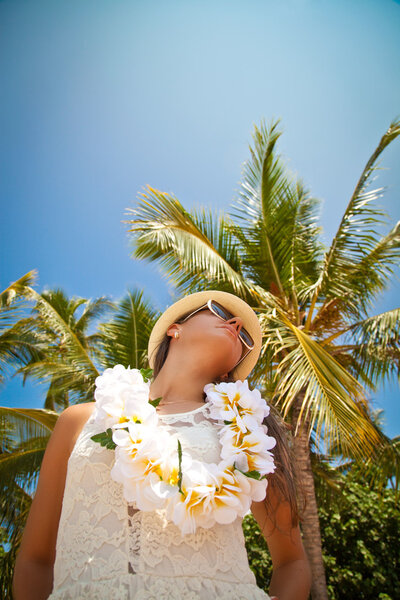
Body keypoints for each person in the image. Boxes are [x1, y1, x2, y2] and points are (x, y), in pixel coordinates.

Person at [13, 290, 312, 600]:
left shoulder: (249, 436)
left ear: (231, 368)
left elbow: (292, 561)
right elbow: (36, 560)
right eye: (220, 312)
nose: (236, 324)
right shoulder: (79, 419)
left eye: (245, 339)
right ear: (175, 328)